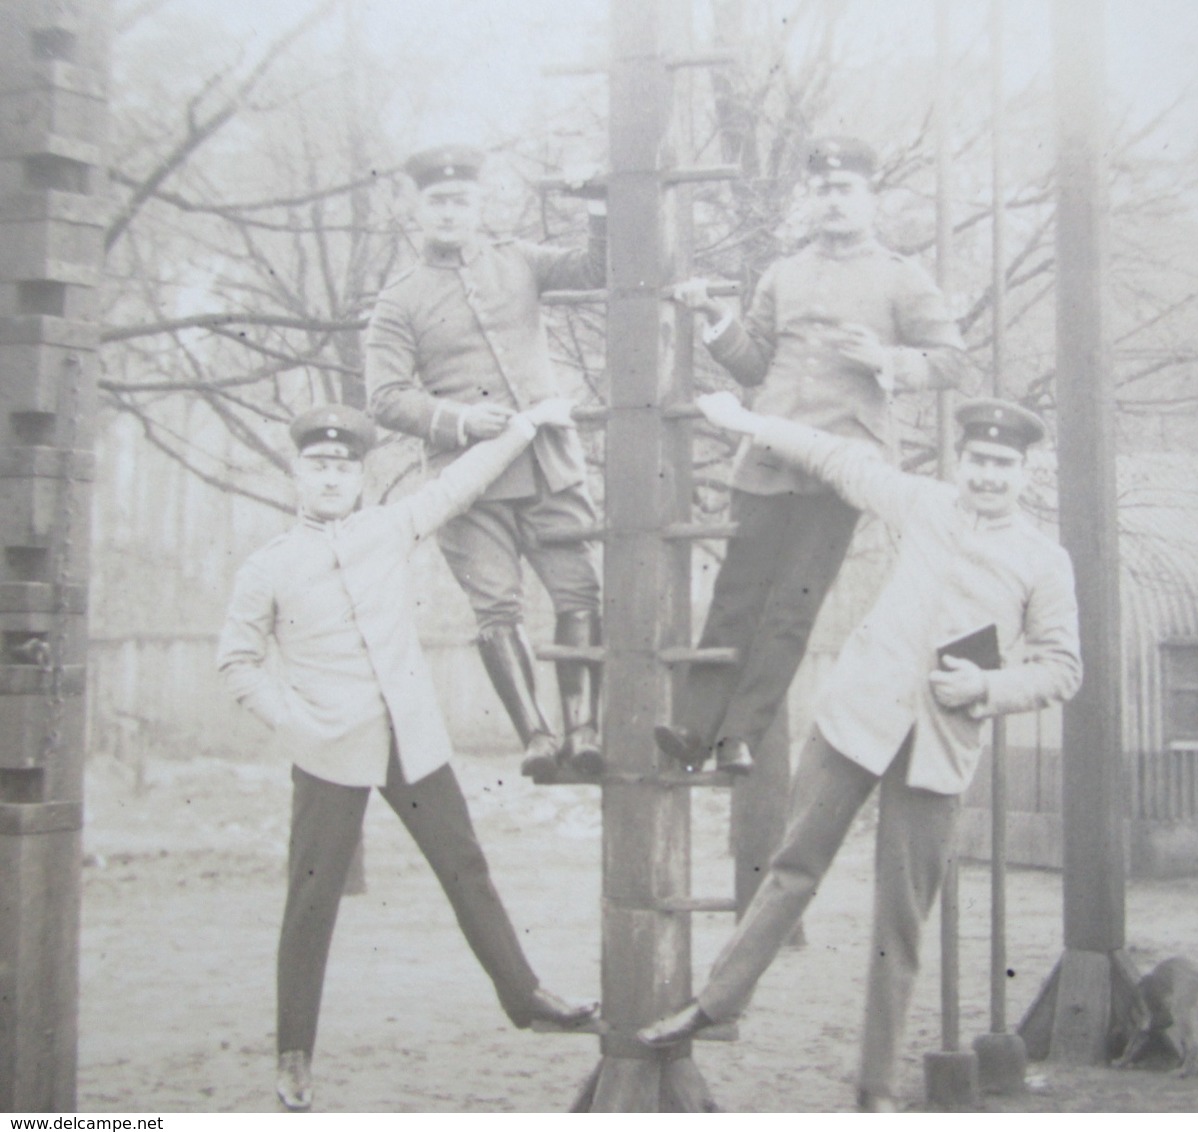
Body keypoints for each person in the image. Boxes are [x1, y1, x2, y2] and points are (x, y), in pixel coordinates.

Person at [637, 392, 1083, 1112]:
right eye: (978, 461)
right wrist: (749, 422)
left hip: (940, 745)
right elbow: (839, 458)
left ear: (1026, 472)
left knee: (898, 921)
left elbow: (1063, 669)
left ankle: (875, 1091)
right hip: (857, 718)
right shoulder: (923, 504)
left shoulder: (1044, 561)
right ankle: (715, 1003)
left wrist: (990, 685)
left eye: (1003, 465)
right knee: (792, 867)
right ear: (959, 462)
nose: (988, 477)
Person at [217, 401, 598, 1113]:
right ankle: (294, 1053)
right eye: (318, 464)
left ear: (359, 476)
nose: (331, 476)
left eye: (342, 465)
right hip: (329, 750)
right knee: (310, 902)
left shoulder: (387, 529)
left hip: (412, 740)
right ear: (298, 473)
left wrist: (521, 429)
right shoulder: (268, 567)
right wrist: (293, 723)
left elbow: (457, 487)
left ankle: (529, 997)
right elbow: (237, 662)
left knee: (467, 868)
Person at [656, 136, 975, 776]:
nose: (833, 201)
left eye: (846, 189)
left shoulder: (900, 277)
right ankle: (691, 731)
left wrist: (887, 361)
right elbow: (755, 362)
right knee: (736, 596)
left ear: (870, 197)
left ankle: (739, 737)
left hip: (842, 464)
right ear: (812, 197)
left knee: (792, 608)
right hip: (771, 456)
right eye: (823, 190)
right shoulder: (784, 272)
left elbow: (953, 360)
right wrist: (715, 318)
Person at [366, 144, 606, 782]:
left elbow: (596, 267)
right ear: (415, 209)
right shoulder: (400, 300)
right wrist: (460, 421)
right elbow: (385, 397)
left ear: (479, 205)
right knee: (496, 609)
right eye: (436, 201)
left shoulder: (518, 261)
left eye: (460, 200)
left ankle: (584, 730)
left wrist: (600, 205)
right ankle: (536, 736)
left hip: (549, 464)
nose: (449, 211)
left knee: (580, 590)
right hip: (468, 485)